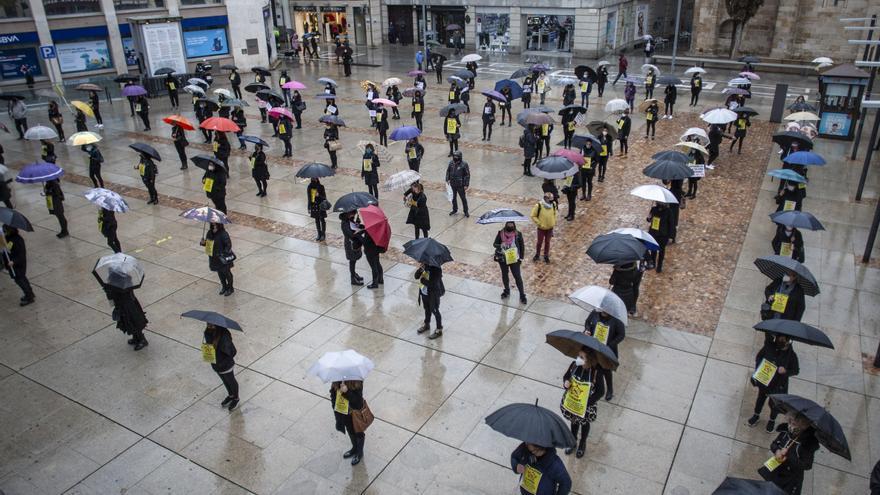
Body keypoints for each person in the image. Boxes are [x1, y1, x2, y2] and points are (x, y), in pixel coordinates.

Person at [559, 346, 604, 459]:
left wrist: (587, 402)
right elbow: (566, 377)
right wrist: (566, 382)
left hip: (586, 405)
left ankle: (582, 443)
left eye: (581, 357)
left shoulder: (596, 372)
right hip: (573, 401)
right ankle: (573, 442)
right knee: (574, 422)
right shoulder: (574, 365)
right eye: (578, 356)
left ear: (589, 359)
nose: (578, 358)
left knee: (584, 423)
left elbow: (600, 391)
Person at [748, 334, 799, 432]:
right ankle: (756, 415)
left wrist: (785, 371)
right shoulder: (769, 347)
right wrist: (760, 367)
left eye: (783, 340)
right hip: (765, 381)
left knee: (774, 404)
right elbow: (759, 357)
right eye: (779, 339)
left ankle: (772, 420)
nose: (780, 342)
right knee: (760, 399)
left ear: (788, 342)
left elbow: (796, 370)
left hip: (778, 385)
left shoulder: (791, 355)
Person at [762, 411, 819, 495]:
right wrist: (777, 451)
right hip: (776, 467)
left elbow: (807, 465)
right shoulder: (786, 432)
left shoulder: (808, 444)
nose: (790, 426)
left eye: (794, 424)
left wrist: (788, 455)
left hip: (791, 477)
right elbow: (774, 444)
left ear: (803, 426)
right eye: (790, 422)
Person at [100, 272, 149, 350]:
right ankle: (136, 338)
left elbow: (124, 292)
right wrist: (108, 290)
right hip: (123, 305)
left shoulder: (124, 280)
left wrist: (111, 290)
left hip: (129, 305)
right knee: (129, 323)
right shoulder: (114, 281)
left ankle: (142, 339)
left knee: (134, 322)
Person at [584, 311, 624, 400]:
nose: (604, 311)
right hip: (594, 348)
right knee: (595, 368)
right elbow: (587, 322)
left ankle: (609, 389)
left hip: (607, 351)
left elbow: (621, 335)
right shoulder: (595, 313)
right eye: (602, 309)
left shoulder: (616, 320)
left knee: (606, 370)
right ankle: (595, 386)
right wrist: (587, 330)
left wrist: (610, 344)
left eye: (606, 310)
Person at [203, 322, 239, 411]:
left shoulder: (224, 336)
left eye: (211, 324)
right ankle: (230, 395)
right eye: (208, 324)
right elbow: (209, 346)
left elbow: (233, 351)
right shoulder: (208, 333)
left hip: (225, 365)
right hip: (215, 364)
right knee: (225, 381)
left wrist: (223, 362)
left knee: (231, 381)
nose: (208, 325)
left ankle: (236, 398)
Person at [330, 379, 365, 465]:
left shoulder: (357, 381)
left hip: (354, 413)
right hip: (343, 412)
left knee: (358, 433)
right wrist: (335, 409)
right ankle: (354, 448)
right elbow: (333, 395)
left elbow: (358, 403)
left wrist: (346, 391)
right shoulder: (336, 380)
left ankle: (359, 453)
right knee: (350, 430)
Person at [494, 221, 527, 303]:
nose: (510, 226)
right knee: (505, 275)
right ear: (506, 225)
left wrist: (521, 258)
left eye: (511, 225)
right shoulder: (500, 233)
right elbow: (494, 244)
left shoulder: (518, 234)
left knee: (517, 276)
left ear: (514, 225)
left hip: (514, 259)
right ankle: (506, 291)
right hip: (503, 258)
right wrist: (501, 245)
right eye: (508, 225)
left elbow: (522, 246)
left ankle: (522, 295)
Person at [2, 225, 35, 306]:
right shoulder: (8, 238)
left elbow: (21, 255)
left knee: (20, 280)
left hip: (18, 265)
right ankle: (30, 293)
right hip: (12, 265)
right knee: (22, 278)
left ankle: (29, 296)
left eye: (5, 230)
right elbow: (6, 248)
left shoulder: (18, 240)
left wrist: (13, 261)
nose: (4, 232)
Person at [203, 222, 234, 296]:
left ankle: (230, 288)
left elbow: (228, 245)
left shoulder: (223, 233)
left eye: (215, 221)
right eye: (212, 221)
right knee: (219, 272)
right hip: (214, 257)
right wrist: (203, 243)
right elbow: (208, 244)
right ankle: (224, 286)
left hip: (222, 258)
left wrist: (223, 254)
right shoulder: (210, 232)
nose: (213, 223)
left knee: (227, 273)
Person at [415, 263, 444, 339]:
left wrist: (423, 280)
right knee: (427, 309)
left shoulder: (437, 269)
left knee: (435, 311)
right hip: (424, 293)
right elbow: (416, 276)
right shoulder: (425, 266)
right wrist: (420, 269)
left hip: (433, 295)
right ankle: (426, 324)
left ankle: (439, 329)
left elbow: (433, 284)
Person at [530, 192, 558, 263]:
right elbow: (533, 216)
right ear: (545, 198)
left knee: (547, 242)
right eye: (550, 199)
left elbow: (555, 213)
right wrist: (539, 223)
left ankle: (546, 255)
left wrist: (554, 221)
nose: (552, 201)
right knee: (539, 242)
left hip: (550, 228)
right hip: (541, 228)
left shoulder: (553, 204)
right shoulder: (538, 206)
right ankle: (537, 254)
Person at [341, 211, 364, 285]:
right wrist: (360, 232)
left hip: (354, 243)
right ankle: (353, 278)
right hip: (350, 244)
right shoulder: (344, 223)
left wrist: (357, 224)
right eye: (353, 213)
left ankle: (354, 274)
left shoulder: (349, 220)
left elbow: (354, 227)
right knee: (352, 261)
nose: (354, 214)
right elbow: (351, 234)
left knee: (354, 260)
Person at [647, 202, 671, 272]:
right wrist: (649, 218)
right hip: (654, 233)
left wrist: (669, 236)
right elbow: (649, 219)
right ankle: (653, 263)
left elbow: (670, 224)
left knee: (661, 251)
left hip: (663, 235)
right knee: (653, 249)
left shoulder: (668, 211)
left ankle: (659, 266)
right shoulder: (653, 209)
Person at [446, 151, 470, 217]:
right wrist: (447, 179)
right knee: (453, 198)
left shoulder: (464, 164)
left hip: (460, 185)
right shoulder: (451, 163)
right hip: (452, 184)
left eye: (457, 157)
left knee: (463, 198)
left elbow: (467, 175)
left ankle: (466, 211)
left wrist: (466, 184)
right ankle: (454, 209)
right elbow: (448, 171)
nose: (455, 158)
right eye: (454, 157)